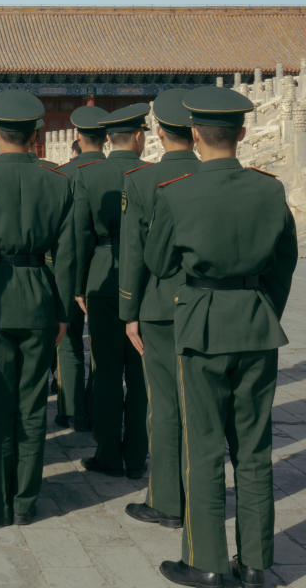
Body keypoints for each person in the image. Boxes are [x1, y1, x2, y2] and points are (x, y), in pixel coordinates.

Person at [146, 87, 297, 588]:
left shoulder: (177, 193)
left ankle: (206, 560)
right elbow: (285, 262)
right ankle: (256, 562)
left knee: (204, 446)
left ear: (194, 134)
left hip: (203, 323)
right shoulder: (270, 190)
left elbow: (159, 263)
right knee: (254, 449)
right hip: (255, 323)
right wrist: (259, 307)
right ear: (243, 133)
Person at [0, 90, 74, 526]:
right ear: (37, 132)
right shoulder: (59, 181)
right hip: (40, 297)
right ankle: (26, 500)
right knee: (31, 406)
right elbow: (66, 255)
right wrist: (62, 311)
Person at [119, 89, 200, 529]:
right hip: (206, 304)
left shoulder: (143, 180)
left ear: (159, 133)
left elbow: (134, 253)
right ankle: (200, 496)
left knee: (165, 406)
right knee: (201, 408)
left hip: (159, 305)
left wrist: (128, 310)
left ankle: (167, 499)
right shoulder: (217, 177)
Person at [74, 104, 150, 478]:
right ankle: (137, 453)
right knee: (139, 373)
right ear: (138, 136)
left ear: (108, 138)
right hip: (146, 283)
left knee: (105, 370)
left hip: (102, 277)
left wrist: (78, 285)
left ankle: (108, 452)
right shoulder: (152, 175)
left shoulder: (89, 174)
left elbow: (79, 236)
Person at [53, 106, 108, 431]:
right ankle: (98, 406)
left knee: (70, 339)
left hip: (68, 267)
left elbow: (67, 235)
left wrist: (71, 285)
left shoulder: (64, 174)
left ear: (77, 137)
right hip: (109, 269)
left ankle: (71, 409)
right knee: (104, 346)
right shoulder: (121, 173)